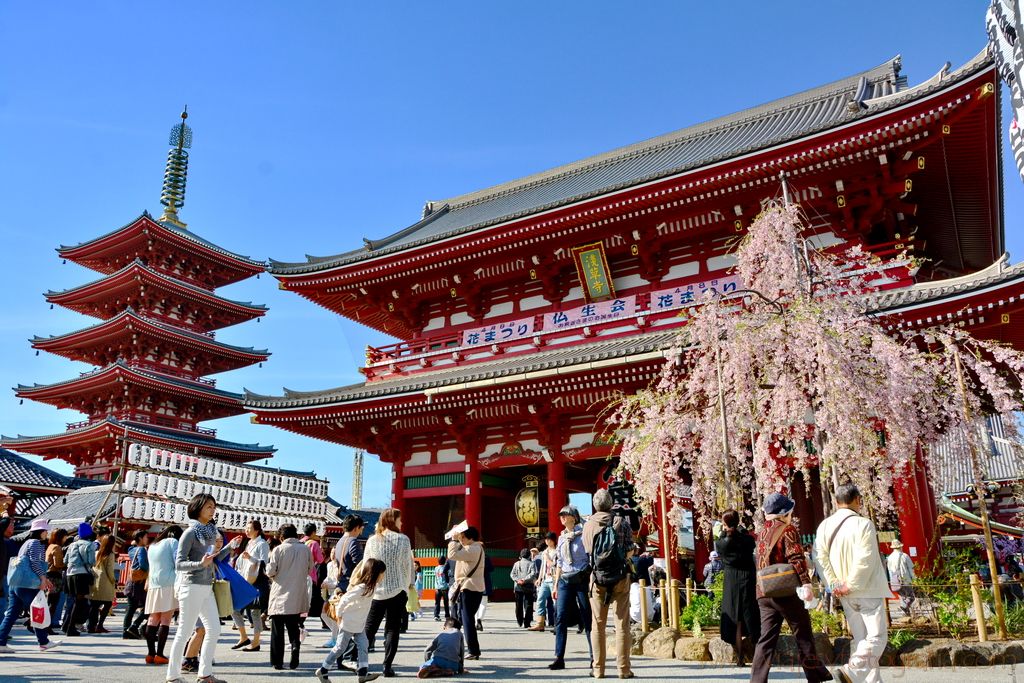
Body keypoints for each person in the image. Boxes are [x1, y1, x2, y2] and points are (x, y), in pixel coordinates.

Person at [750, 494, 831, 683]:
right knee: (803, 634)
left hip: (764, 592)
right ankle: (815, 675)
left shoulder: (761, 533)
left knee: (766, 639)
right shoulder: (788, 530)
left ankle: (757, 681)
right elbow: (796, 558)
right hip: (785, 592)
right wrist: (806, 583)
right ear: (783, 513)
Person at [815, 484, 890, 683]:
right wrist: (851, 583)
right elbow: (865, 558)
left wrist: (833, 583)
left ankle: (871, 681)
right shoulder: (864, 524)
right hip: (866, 589)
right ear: (857, 500)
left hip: (843, 591)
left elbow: (820, 558)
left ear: (836, 502)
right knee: (877, 637)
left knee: (861, 641)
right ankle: (852, 672)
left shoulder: (824, 526)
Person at [165, 492, 240, 683]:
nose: (212, 510)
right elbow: (179, 563)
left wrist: (229, 548)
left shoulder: (209, 531)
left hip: (206, 586)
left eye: (214, 507)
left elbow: (211, 560)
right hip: (191, 586)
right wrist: (200, 564)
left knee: (214, 629)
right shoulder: (190, 533)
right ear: (197, 508)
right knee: (184, 631)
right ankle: (172, 676)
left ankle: (205, 673)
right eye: (209, 506)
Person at [582, 489, 634, 679]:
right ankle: (623, 669)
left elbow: (588, 551)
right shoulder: (621, 522)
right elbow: (630, 550)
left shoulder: (587, 525)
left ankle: (598, 669)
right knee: (622, 625)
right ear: (611, 504)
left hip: (597, 579)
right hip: (620, 578)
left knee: (598, 625)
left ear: (595, 505)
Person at [315, 558, 386, 683]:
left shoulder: (372, 587)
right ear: (375, 573)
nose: (383, 576)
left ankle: (363, 673)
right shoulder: (362, 588)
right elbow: (344, 599)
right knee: (339, 648)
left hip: (358, 623)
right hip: (348, 622)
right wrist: (339, 615)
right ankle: (323, 669)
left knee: (364, 645)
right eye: (382, 573)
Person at [364, 507, 413, 677]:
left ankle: (360, 663)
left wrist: (367, 585)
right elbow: (407, 566)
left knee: (369, 628)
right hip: (398, 589)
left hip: (377, 590)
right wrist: (406, 586)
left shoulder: (372, 540)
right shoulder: (403, 540)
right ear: (393, 520)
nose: (402, 522)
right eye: (400, 519)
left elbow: (366, 565)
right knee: (392, 628)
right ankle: (387, 666)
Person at [0, 518, 58, 653]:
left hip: (16, 583)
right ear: (41, 531)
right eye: (45, 531)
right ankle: (44, 641)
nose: (47, 534)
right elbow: (35, 563)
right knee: (37, 610)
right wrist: (43, 578)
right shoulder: (36, 543)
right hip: (27, 585)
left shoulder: (26, 543)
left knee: (12, 614)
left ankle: (1, 641)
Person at [549, 504, 592, 671]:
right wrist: (555, 585)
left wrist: (589, 580)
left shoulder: (583, 535)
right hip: (565, 580)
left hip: (581, 579)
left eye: (565, 514)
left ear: (574, 517)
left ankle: (593, 656)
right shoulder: (561, 538)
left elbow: (590, 558)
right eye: (560, 515)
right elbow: (559, 562)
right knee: (560, 618)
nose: (562, 517)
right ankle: (559, 657)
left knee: (587, 617)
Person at [267, 523, 315, 670]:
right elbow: (310, 568)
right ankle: (295, 648)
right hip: (297, 594)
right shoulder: (306, 549)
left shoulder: (278, 549)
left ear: (282, 536)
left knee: (277, 630)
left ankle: (277, 661)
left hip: (280, 594)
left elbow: (271, 571)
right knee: (293, 627)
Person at [715, 509, 760, 665]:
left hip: (731, 579)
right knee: (750, 613)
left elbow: (721, 544)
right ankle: (756, 655)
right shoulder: (747, 540)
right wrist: (741, 530)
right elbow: (751, 541)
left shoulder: (721, 543)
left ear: (725, 523)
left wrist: (723, 533)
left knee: (735, 617)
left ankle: (739, 656)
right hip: (747, 577)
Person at [143, 524, 182, 665]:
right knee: (166, 619)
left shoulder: (152, 545)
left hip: (154, 583)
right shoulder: (173, 542)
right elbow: (179, 562)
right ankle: (160, 654)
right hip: (169, 582)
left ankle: (150, 653)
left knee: (153, 618)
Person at [447, 525, 485, 661]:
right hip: (473, 588)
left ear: (470, 538)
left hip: (469, 588)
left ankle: (473, 650)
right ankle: (470, 648)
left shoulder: (472, 549)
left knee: (467, 620)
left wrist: (453, 540)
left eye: (463, 537)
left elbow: (451, 555)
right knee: (465, 618)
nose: (461, 540)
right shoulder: (476, 548)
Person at [233, 518, 270, 652]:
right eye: (246, 528)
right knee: (234, 608)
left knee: (255, 612)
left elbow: (265, 563)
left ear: (257, 530)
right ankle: (244, 636)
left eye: (249, 528)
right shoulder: (249, 543)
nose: (246, 531)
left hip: (258, 581)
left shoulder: (262, 544)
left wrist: (250, 558)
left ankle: (255, 641)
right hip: (246, 580)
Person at [63, 523, 96, 637]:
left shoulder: (72, 545)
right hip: (81, 574)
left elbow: (65, 560)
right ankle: (71, 627)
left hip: (69, 574)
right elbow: (91, 561)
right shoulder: (90, 545)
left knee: (73, 600)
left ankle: (66, 624)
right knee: (79, 602)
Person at [123, 529, 150, 639]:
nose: (147, 539)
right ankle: (134, 626)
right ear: (140, 538)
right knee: (148, 608)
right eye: (146, 537)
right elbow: (143, 565)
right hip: (139, 583)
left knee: (131, 608)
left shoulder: (131, 550)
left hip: (131, 581)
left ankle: (126, 631)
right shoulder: (142, 550)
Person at [87, 534, 117, 633]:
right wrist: (113, 581)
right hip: (105, 582)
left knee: (94, 605)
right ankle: (100, 625)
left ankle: (91, 626)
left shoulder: (96, 553)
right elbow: (110, 570)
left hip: (95, 580)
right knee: (108, 603)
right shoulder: (110, 554)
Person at [529, 532, 558, 632]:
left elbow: (555, 565)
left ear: (553, 540)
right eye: (546, 539)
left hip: (554, 579)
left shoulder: (557, 551)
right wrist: (539, 578)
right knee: (540, 600)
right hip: (545, 580)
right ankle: (540, 623)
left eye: (548, 539)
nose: (547, 541)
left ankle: (557, 624)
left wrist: (547, 558)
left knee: (556, 602)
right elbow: (542, 567)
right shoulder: (545, 552)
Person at [303, 523, 328, 632]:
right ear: (313, 532)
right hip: (310, 576)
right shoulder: (313, 544)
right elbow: (320, 560)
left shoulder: (300, 542)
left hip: (299, 576)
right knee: (316, 599)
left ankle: (300, 622)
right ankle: (325, 620)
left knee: (302, 601)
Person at [45, 528, 68, 633]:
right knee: (53, 603)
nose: (66, 538)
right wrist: (67, 564)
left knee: (49, 601)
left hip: (48, 575)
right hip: (55, 576)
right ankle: (48, 626)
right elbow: (57, 564)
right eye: (65, 536)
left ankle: (45, 624)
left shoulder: (50, 546)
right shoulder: (57, 547)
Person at [886, 539, 915, 618]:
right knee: (911, 597)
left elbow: (889, 570)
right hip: (906, 580)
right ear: (900, 547)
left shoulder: (889, 558)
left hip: (896, 581)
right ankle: (904, 608)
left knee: (902, 597)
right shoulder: (904, 556)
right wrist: (914, 579)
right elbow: (911, 568)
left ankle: (906, 615)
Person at [510, 548, 538, 628]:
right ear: (529, 555)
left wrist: (518, 580)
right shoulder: (531, 564)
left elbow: (512, 574)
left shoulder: (516, 563)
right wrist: (524, 580)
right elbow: (533, 574)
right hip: (528, 586)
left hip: (518, 586)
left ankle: (519, 621)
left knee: (518, 604)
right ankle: (527, 622)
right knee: (529, 604)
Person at [474, 553, 494, 632]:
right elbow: (492, 568)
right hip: (485, 582)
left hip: (475, 582)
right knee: (483, 603)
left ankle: (476, 621)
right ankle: (479, 619)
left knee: (475, 604)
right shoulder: (486, 557)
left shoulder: (473, 556)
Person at [433, 553, 452, 622]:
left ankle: (436, 615)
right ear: (445, 561)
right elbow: (448, 577)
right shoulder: (446, 568)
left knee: (437, 602)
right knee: (446, 602)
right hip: (445, 588)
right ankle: (447, 616)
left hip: (437, 588)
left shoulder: (436, 568)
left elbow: (436, 577)